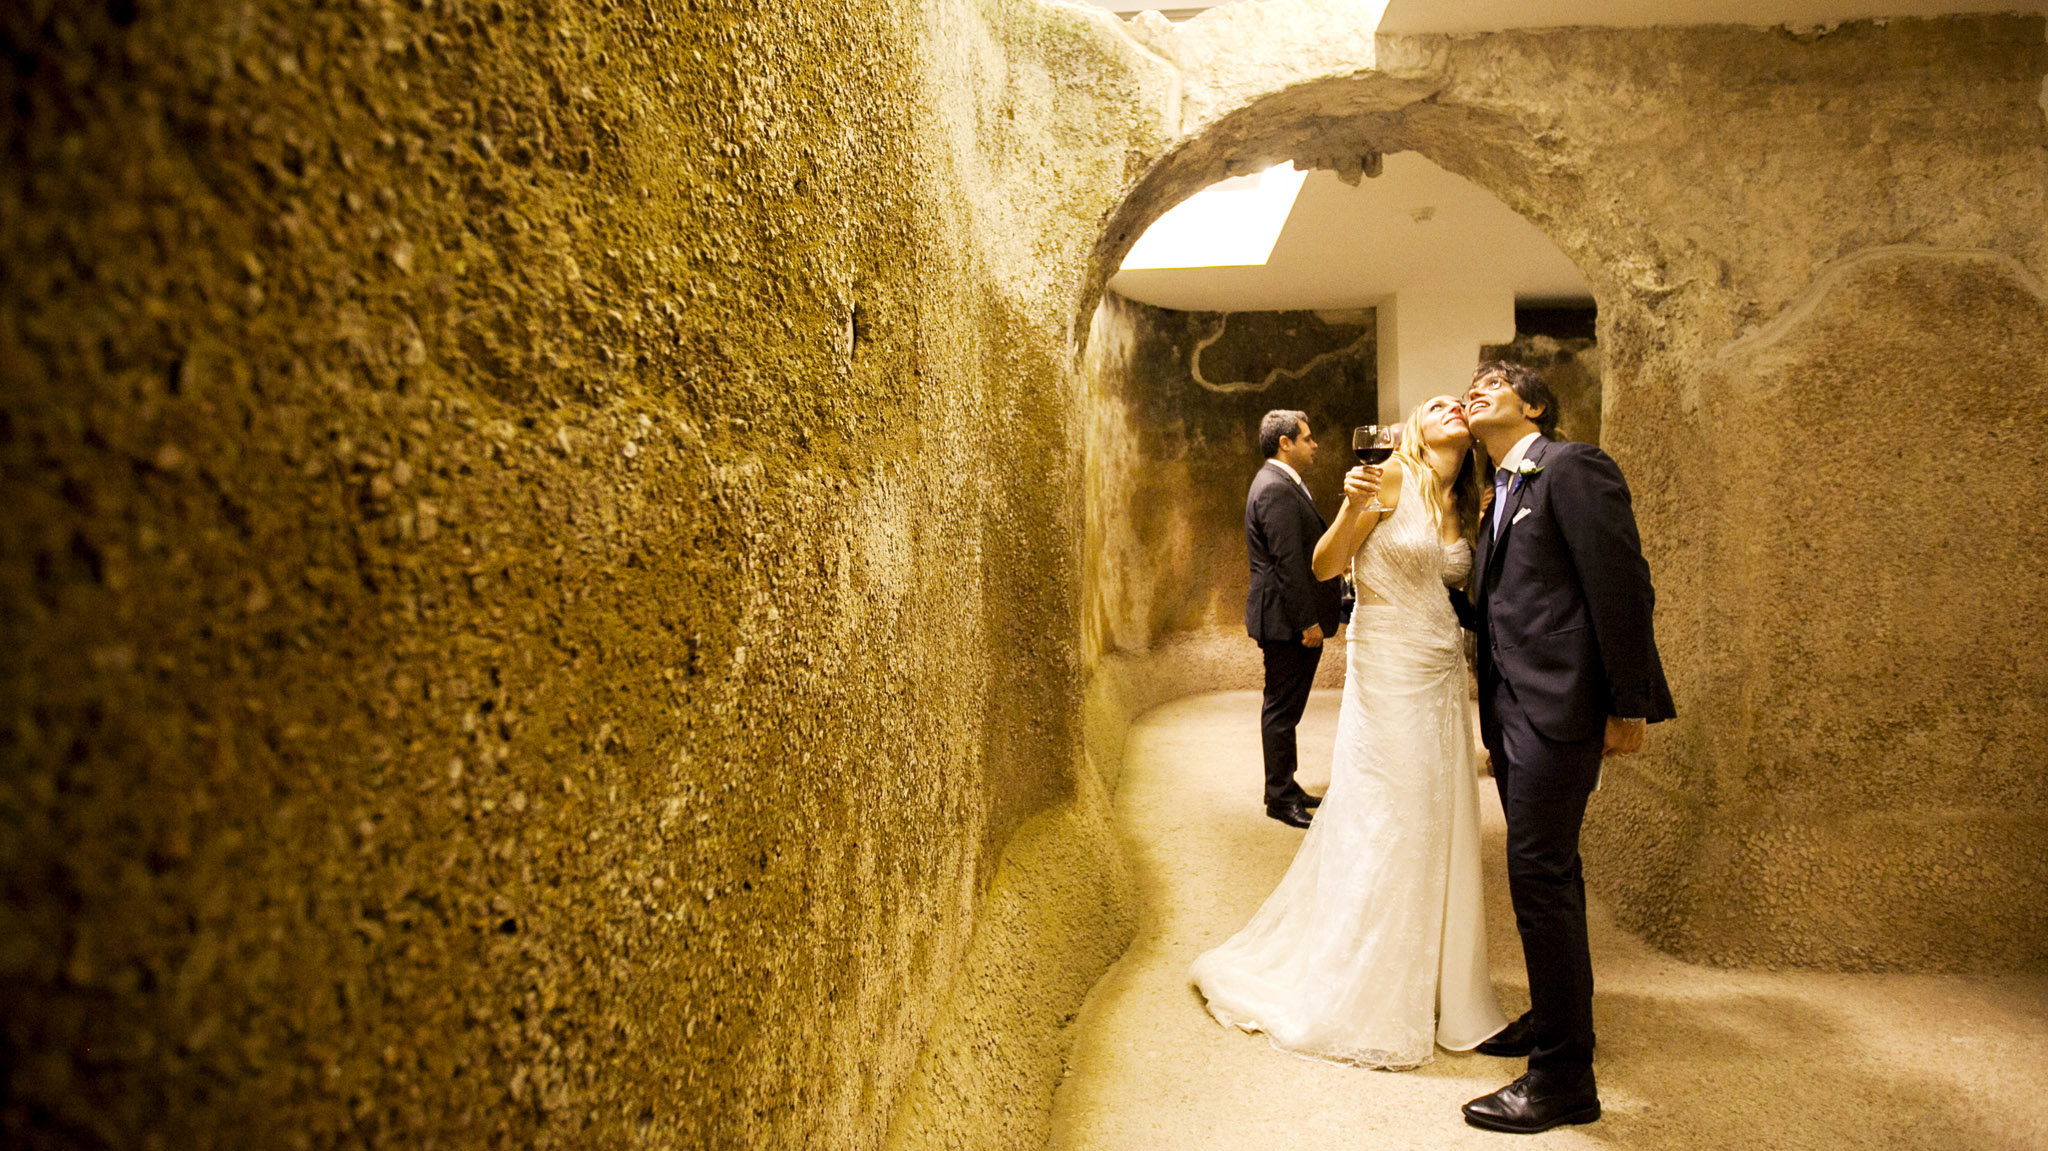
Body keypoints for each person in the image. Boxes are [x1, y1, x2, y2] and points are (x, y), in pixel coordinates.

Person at [1193, 396, 1510, 1068]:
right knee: (1390, 812)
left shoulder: (1471, 503)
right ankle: (1367, 980)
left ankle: (1438, 979)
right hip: (1387, 664)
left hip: (1440, 669)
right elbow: (1325, 563)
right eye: (1437, 406)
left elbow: (1466, 588)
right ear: (1417, 428)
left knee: (1440, 814)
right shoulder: (1390, 474)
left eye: (1460, 404)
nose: (1453, 408)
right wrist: (1350, 505)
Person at [1455, 361, 1675, 1134]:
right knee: (1550, 874)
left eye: (1495, 381)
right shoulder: (1501, 492)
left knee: (1538, 875)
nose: (1476, 389)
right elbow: (1502, 605)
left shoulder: (1571, 464)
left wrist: (1629, 705)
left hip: (1561, 704)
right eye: (1471, 382)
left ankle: (1562, 1079)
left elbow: (1621, 583)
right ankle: (1556, 1021)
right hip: (1514, 712)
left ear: (1536, 405)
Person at [1242, 410, 1343, 828]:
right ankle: (1279, 797)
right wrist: (1307, 622)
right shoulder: (1276, 489)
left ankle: (1287, 783)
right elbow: (1287, 563)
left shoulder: (1282, 484)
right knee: (1281, 710)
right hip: (1285, 620)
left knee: (1287, 708)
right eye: (1307, 438)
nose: (1314, 444)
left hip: (1286, 617)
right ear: (1285, 443)